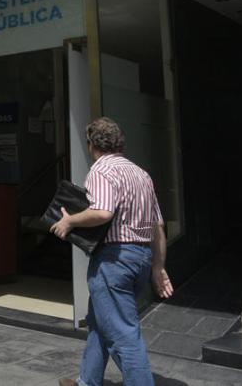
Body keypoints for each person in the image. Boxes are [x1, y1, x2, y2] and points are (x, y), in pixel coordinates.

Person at [51, 117, 173, 386]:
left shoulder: (101, 170)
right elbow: (158, 226)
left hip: (114, 261)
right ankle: (87, 381)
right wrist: (158, 266)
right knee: (99, 322)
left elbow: (102, 212)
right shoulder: (141, 174)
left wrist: (69, 220)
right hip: (140, 259)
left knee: (123, 336)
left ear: (91, 143)